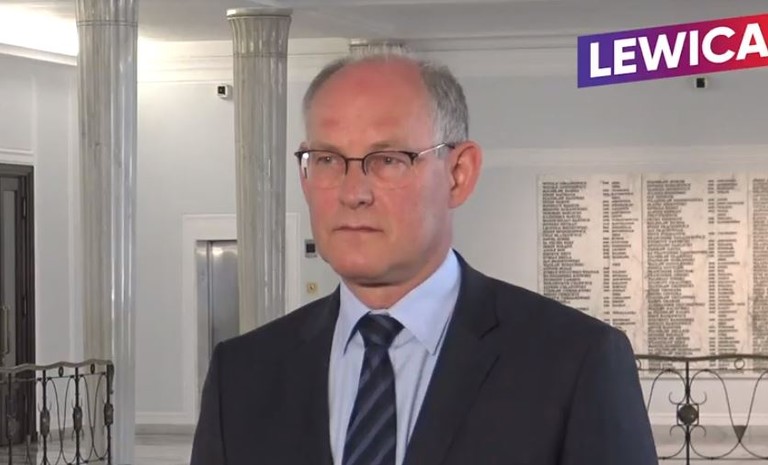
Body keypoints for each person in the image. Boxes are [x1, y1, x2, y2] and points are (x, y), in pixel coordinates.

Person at [190, 51, 657, 465]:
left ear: (458, 174)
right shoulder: (242, 374)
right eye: (327, 160)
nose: (353, 193)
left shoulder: (575, 362)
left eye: (388, 159)